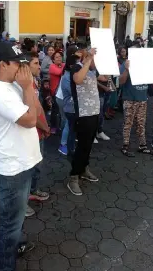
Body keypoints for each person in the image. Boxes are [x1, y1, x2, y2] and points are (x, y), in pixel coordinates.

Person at [0, 42, 41, 269]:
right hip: (11, 169)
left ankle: (15, 245)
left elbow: (32, 106)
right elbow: (30, 120)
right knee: (10, 224)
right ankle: (4, 266)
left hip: (21, 164)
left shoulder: (12, 85)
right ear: (3, 64)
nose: (22, 68)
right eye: (18, 63)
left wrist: (26, 88)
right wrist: (27, 87)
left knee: (16, 220)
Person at [67, 48, 100, 196]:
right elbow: (78, 80)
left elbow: (105, 78)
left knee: (89, 144)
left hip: (94, 112)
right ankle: (73, 177)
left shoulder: (93, 70)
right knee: (82, 146)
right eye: (92, 57)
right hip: (83, 113)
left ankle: (84, 169)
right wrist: (88, 61)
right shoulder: (77, 67)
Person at [24, 52, 50, 208]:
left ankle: (32, 191)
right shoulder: (26, 86)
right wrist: (45, 127)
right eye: (35, 63)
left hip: (38, 131)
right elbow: (33, 110)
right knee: (29, 168)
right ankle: (23, 200)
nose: (39, 66)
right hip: (32, 132)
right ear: (26, 66)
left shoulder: (34, 82)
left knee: (37, 165)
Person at [119, 58, 153, 157]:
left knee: (141, 124)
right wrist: (127, 69)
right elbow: (120, 81)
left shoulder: (146, 63)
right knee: (128, 123)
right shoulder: (125, 64)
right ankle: (125, 146)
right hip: (130, 99)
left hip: (142, 99)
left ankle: (142, 145)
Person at [60, 45, 78, 157]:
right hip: (69, 107)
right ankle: (65, 145)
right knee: (69, 126)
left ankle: (70, 144)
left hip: (73, 106)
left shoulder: (71, 74)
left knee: (71, 127)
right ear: (71, 65)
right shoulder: (67, 77)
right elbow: (73, 92)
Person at [49, 51, 64, 134]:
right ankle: (53, 126)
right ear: (53, 60)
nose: (59, 58)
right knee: (55, 110)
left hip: (62, 92)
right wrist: (65, 66)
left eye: (60, 56)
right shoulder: (52, 66)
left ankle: (61, 126)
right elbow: (60, 72)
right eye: (57, 57)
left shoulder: (63, 65)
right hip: (55, 91)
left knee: (62, 111)